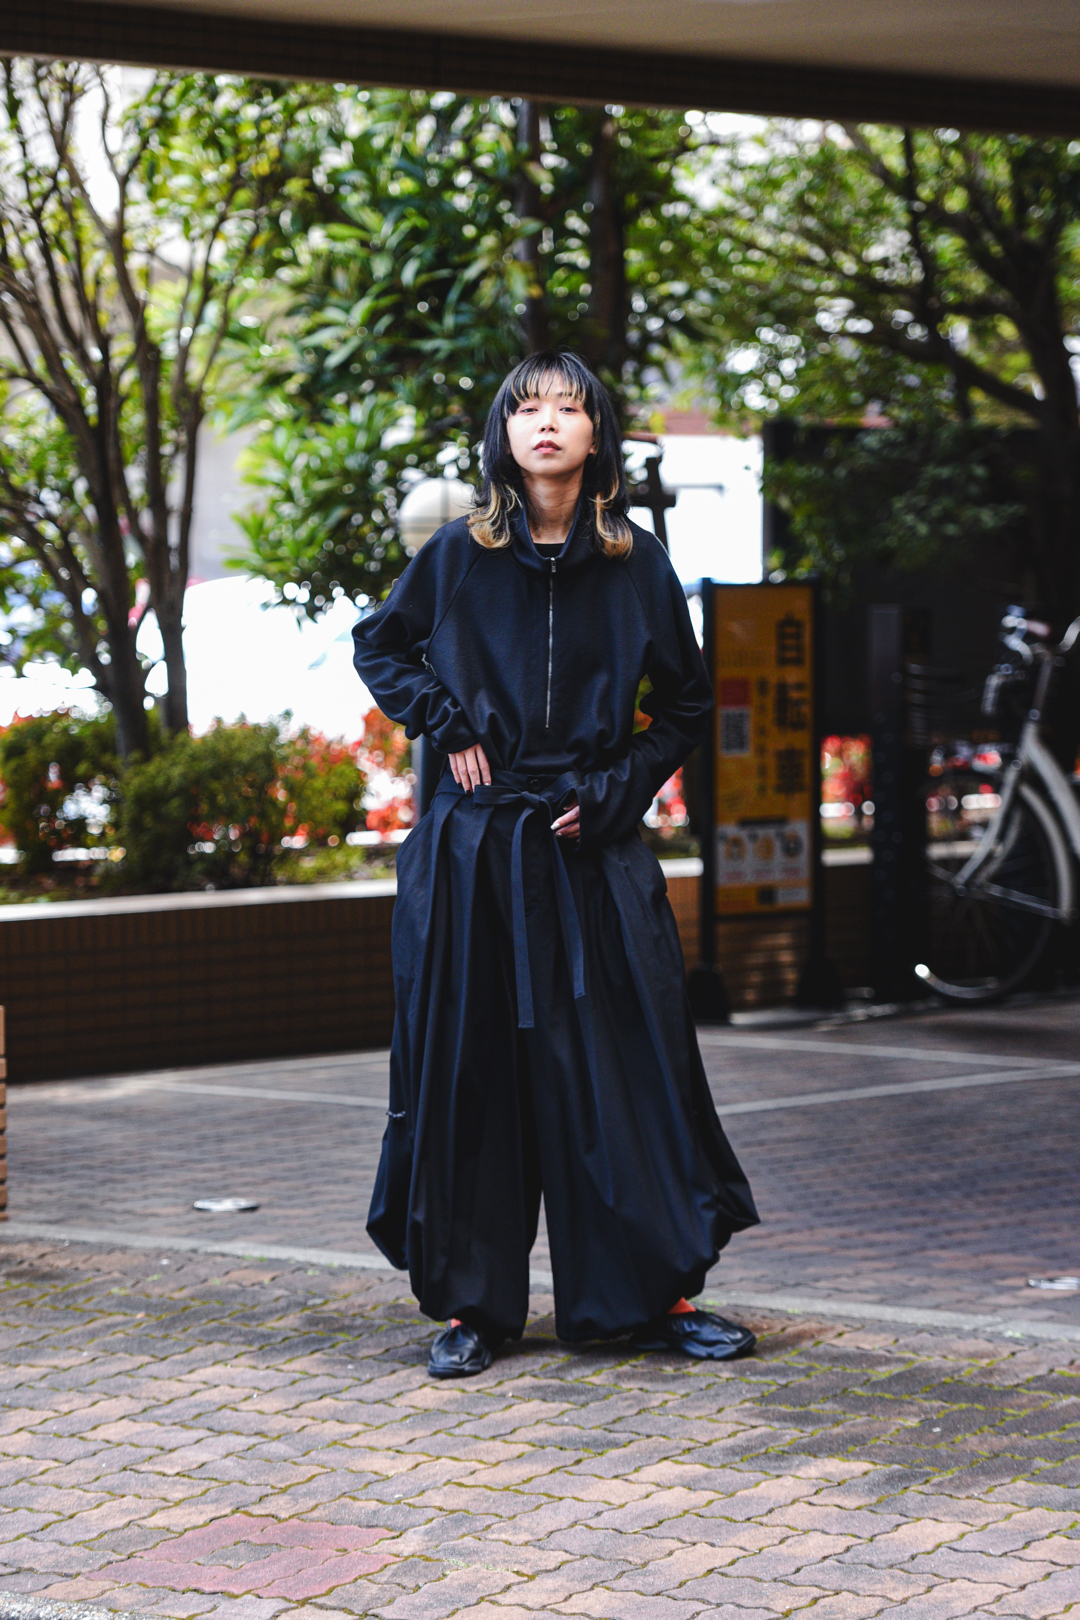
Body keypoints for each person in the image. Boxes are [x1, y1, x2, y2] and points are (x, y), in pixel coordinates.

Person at [353, 351, 758, 1378]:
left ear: (595, 435)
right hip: (475, 853)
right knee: (470, 1077)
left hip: (592, 851)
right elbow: (380, 645)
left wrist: (617, 790)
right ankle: (472, 1309)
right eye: (526, 407)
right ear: (504, 434)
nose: (545, 422)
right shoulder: (458, 554)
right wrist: (445, 723)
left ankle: (650, 1299)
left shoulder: (637, 562)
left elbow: (684, 704)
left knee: (625, 1075)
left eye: (568, 408)